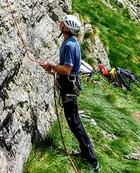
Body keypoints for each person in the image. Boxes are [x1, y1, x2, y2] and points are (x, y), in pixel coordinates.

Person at [40, 15, 100, 172]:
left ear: (66, 28)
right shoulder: (71, 42)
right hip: (68, 83)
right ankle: (86, 155)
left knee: (75, 123)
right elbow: (68, 69)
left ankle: (92, 161)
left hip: (68, 87)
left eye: (63, 23)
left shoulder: (68, 45)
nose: (60, 24)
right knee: (74, 122)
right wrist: (54, 71)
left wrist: (51, 66)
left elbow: (66, 69)